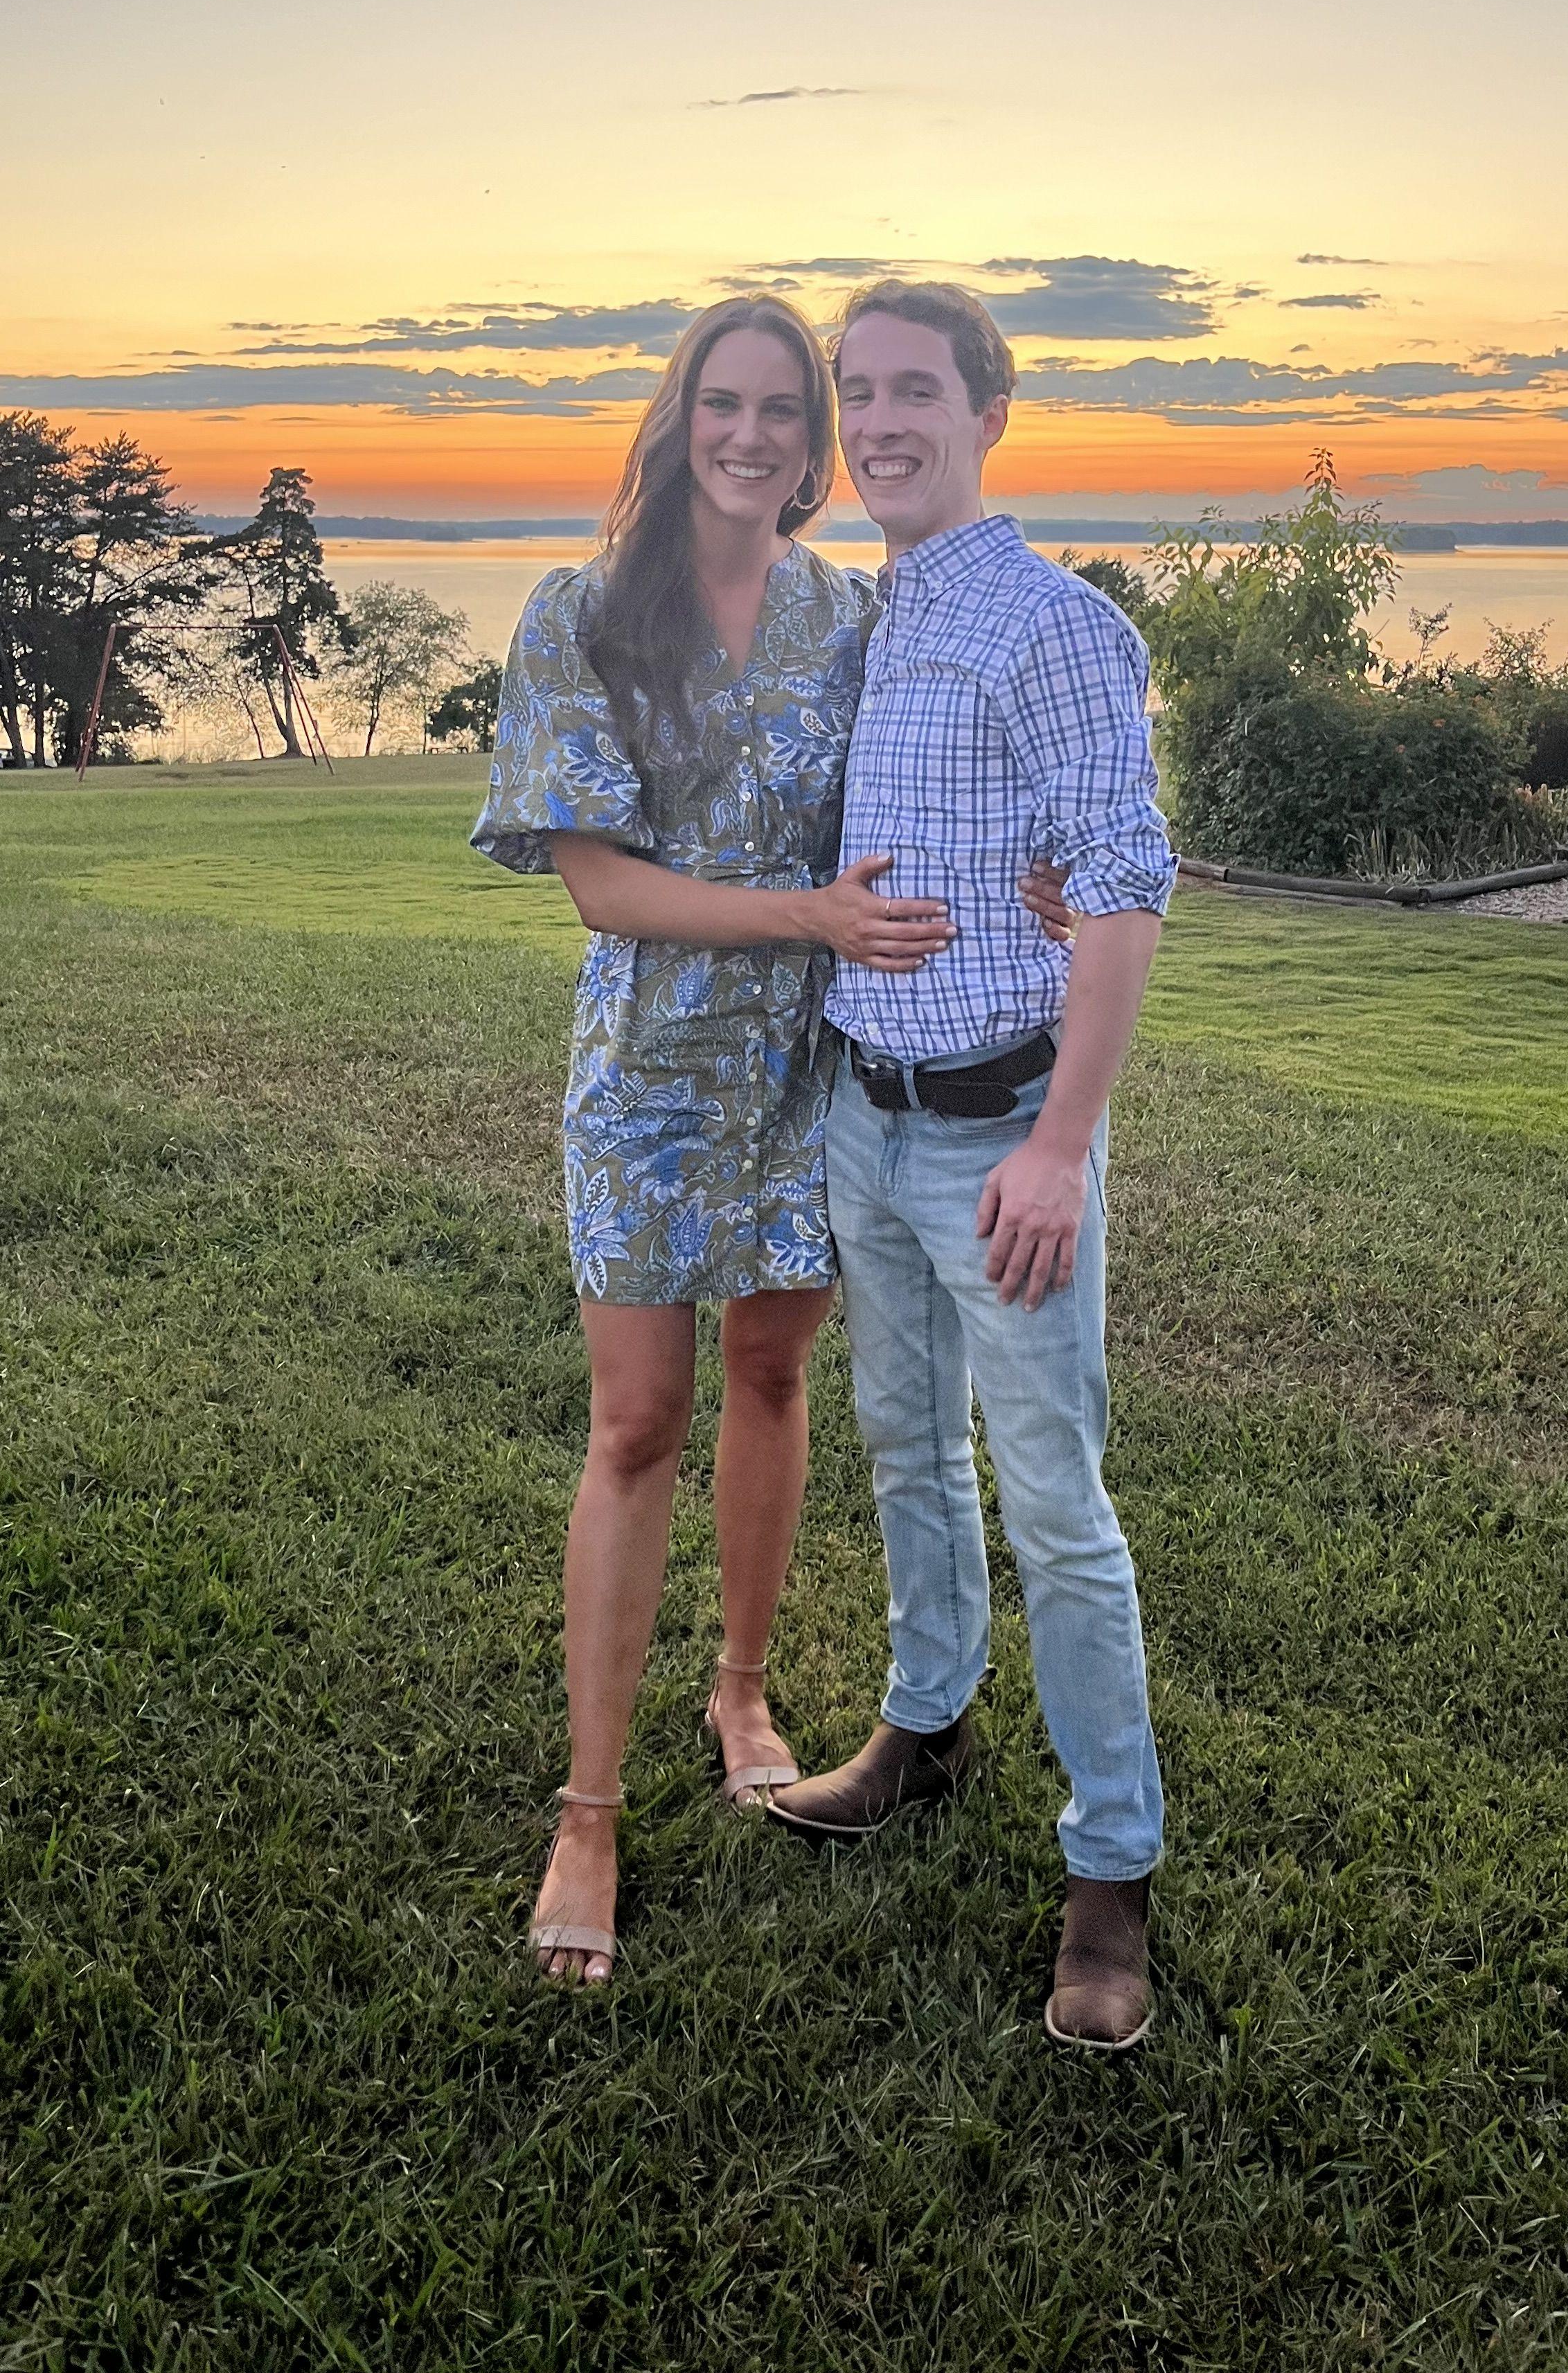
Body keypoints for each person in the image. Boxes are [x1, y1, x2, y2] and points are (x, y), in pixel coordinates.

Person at [471, 293, 1068, 1988]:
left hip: (818, 1069)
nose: (753, 437)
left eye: (785, 412)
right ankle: (590, 1807)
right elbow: (600, 885)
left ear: (816, 443)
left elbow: (943, 794)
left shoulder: (854, 617)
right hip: (654, 1075)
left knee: (771, 1374)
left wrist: (1040, 870)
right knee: (636, 1422)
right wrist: (808, 912)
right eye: (724, 405)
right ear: (679, 421)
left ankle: (742, 1692)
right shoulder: (586, 612)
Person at [763, 280, 1176, 2056]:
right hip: (865, 1120)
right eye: (856, 392)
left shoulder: (1057, 623)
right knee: (905, 1452)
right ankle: (924, 1726)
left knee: (1057, 1508)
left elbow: (1128, 882)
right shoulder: (870, 621)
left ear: (990, 411)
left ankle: (1111, 1870)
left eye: (913, 390)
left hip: (1005, 1139)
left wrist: (1062, 1146)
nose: (878, 423)